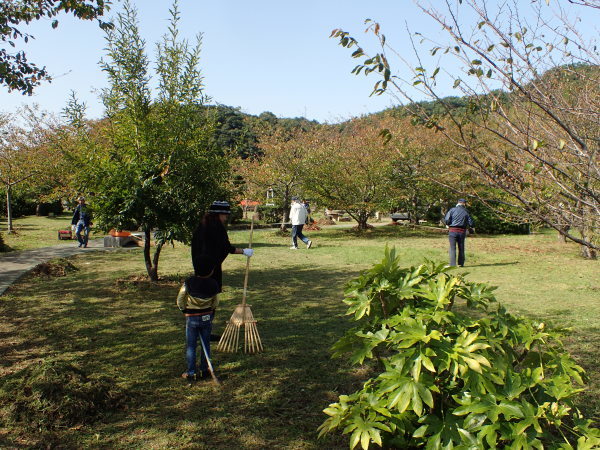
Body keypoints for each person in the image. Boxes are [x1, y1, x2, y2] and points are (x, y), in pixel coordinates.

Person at [191, 200, 254, 292]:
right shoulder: (217, 228)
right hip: (211, 267)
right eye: (225, 215)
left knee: (199, 291)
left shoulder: (202, 225)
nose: (225, 218)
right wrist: (244, 251)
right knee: (210, 290)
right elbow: (225, 247)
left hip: (199, 265)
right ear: (218, 215)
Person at [177, 254, 220, 384]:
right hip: (207, 317)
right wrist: (211, 310)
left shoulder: (189, 282)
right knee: (205, 343)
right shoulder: (214, 283)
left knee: (191, 345)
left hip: (191, 318)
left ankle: (191, 372)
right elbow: (216, 301)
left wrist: (183, 309)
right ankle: (204, 369)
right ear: (211, 270)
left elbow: (181, 298)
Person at [444, 198, 475, 267]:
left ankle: (452, 264)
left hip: (452, 230)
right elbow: (471, 223)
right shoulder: (466, 211)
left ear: (458, 202)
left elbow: (447, 219)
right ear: (464, 203)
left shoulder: (452, 210)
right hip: (462, 231)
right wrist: (471, 227)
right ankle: (461, 264)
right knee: (461, 247)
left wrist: (447, 224)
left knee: (452, 248)